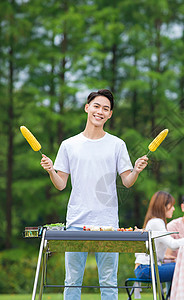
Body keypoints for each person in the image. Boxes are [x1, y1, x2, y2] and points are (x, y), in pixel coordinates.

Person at [40, 89, 148, 300]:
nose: (100, 111)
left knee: (108, 282)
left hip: (107, 222)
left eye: (105, 108)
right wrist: (51, 170)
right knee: (72, 282)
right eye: (96, 106)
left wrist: (135, 170)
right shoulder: (69, 145)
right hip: (76, 222)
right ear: (87, 108)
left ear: (110, 115)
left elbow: (127, 182)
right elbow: (61, 184)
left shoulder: (117, 145)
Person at [134, 191, 184, 282]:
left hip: (146, 267)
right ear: (163, 206)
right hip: (146, 269)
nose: (174, 209)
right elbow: (172, 244)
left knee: (182, 264)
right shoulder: (156, 222)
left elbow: (153, 249)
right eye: (171, 205)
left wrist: (163, 257)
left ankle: (175, 295)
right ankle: (179, 296)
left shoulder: (155, 221)